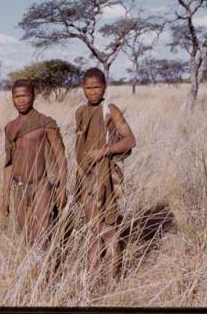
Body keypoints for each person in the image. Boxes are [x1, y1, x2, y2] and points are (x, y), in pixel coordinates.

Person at [74, 68, 136, 283]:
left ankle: (114, 280)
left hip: (106, 177)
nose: (92, 92)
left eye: (97, 87)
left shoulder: (110, 110)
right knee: (92, 229)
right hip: (85, 178)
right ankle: (91, 279)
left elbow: (130, 140)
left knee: (108, 229)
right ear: (83, 88)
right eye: (88, 87)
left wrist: (104, 151)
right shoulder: (80, 112)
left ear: (104, 88)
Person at [2, 79, 67, 248]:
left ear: (33, 97)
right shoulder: (10, 128)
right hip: (19, 187)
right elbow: (8, 164)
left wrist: (61, 188)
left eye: (25, 96)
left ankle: (47, 273)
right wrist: (5, 197)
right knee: (27, 236)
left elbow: (61, 157)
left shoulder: (45, 123)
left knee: (43, 236)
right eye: (17, 96)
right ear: (12, 98)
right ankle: (33, 273)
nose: (21, 100)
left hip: (41, 185)